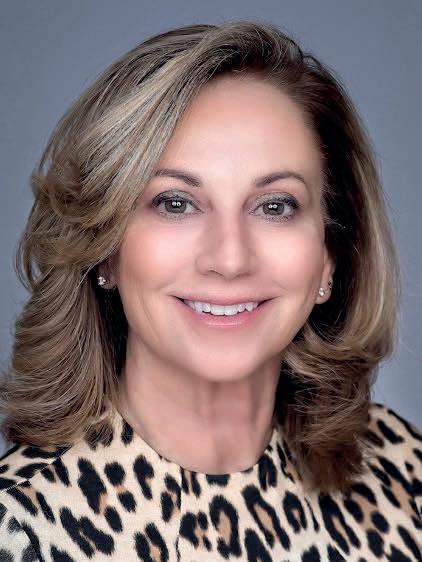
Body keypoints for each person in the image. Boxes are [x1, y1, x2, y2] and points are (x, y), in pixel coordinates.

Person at [0, 20, 420, 561]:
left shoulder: (402, 479)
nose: (229, 259)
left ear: (329, 256)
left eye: (275, 206)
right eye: (176, 203)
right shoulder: (21, 529)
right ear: (103, 247)